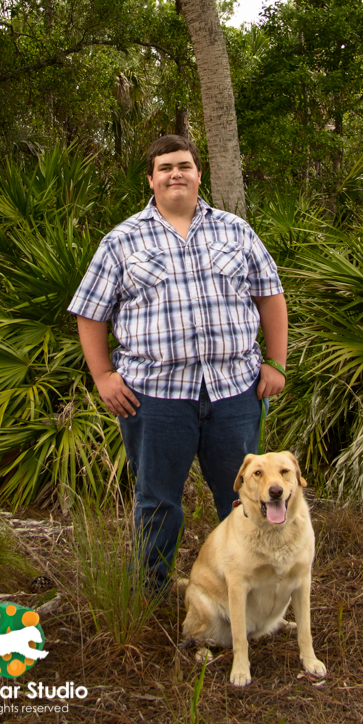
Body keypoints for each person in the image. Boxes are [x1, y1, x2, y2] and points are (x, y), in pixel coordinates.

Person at [68, 134, 287, 589]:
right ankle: (150, 595)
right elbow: (90, 313)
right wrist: (103, 375)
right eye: (165, 167)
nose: (175, 174)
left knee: (246, 501)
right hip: (155, 398)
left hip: (235, 393)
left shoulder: (235, 230)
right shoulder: (121, 241)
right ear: (151, 179)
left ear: (198, 174)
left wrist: (276, 362)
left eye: (184, 165)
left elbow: (271, 296)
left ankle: (254, 595)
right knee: (158, 500)